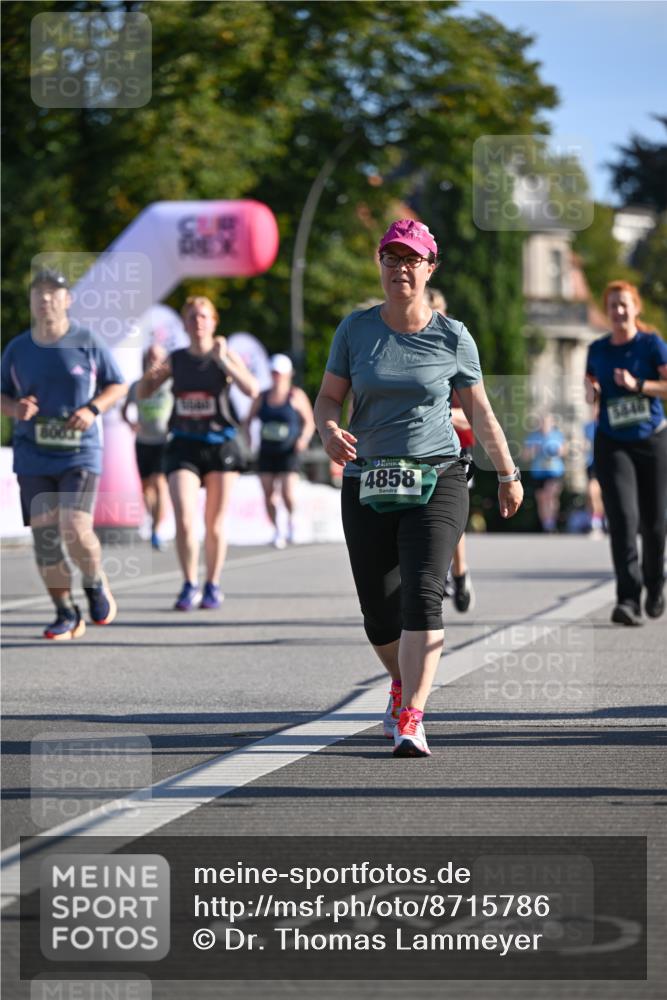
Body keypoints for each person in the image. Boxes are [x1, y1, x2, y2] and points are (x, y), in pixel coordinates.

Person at [314, 219, 523, 757]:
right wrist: (328, 430)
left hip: (438, 475)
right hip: (368, 478)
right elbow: (329, 397)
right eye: (392, 258)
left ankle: (412, 716)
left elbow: (480, 410)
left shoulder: (453, 336)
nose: (401, 269)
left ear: (430, 268)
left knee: (424, 593)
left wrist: (507, 473)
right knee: (378, 611)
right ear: (380, 264)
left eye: (412, 260)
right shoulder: (355, 331)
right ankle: (400, 680)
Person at [0, 267, 126, 639]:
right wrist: (14, 408)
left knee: (74, 528)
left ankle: (94, 582)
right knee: (46, 539)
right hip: (33, 453)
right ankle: (65, 611)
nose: (44, 298)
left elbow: (117, 385)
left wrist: (92, 409)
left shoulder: (86, 341)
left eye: (53, 292)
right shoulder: (18, 348)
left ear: (67, 299)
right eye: (37, 292)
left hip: (79, 452)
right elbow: (1, 394)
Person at [138, 296, 259, 610]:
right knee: (185, 519)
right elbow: (142, 392)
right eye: (192, 317)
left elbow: (252, 389)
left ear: (214, 322)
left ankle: (212, 584)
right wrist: (153, 373)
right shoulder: (176, 359)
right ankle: (189, 583)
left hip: (220, 444)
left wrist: (223, 361)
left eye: (204, 316)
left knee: (214, 522)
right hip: (184, 443)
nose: (198, 322)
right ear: (184, 324)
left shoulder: (224, 354)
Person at [585, 279, 667, 625]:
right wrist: (591, 391)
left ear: (636, 308)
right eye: (612, 305)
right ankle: (628, 599)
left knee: (655, 523)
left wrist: (639, 385)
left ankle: (655, 583)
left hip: (652, 441)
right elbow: (591, 390)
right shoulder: (598, 349)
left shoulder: (651, 344)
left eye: (624, 304)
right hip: (612, 442)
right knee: (622, 519)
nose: (618, 311)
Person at [426, 286, 475, 612]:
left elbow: (474, 415)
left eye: (436, 313)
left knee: (450, 518)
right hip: (419, 451)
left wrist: (439, 414)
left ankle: (459, 572)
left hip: (457, 449)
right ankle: (436, 574)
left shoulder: (456, 348)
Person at [243, 353, 315, 548]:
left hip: (288, 451)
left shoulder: (296, 396)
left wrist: (303, 439)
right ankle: (277, 529)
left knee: (287, 492)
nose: (277, 377)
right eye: (274, 373)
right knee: (268, 494)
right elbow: (248, 420)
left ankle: (292, 521)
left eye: (280, 373)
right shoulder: (262, 397)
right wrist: (249, 438)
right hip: (267, 451)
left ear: (288, 374)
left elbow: (309, 421)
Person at [121, 343, 173, 551]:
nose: (154, 360)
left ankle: (157, 531)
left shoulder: (171, 384)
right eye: (150, 356)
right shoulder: (137, 385)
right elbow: (125, 410)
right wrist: (130, 423)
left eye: (157, 357)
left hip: (164, 441)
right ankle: (153, 520)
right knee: (146, 488)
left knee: (160, 483)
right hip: (143, 441)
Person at [522, 413, 566, 532]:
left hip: (555, 472)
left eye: (547, 422)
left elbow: (564, 451)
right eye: (542, 422)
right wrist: (533, 450)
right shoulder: (533, 437)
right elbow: (525, 456)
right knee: (542, 498)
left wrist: (556, 451)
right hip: (538, 472)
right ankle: (546, 524)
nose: (544, 425)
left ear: (552, 423)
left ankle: (552, 521)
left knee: (551, 496)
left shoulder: (557, 435)